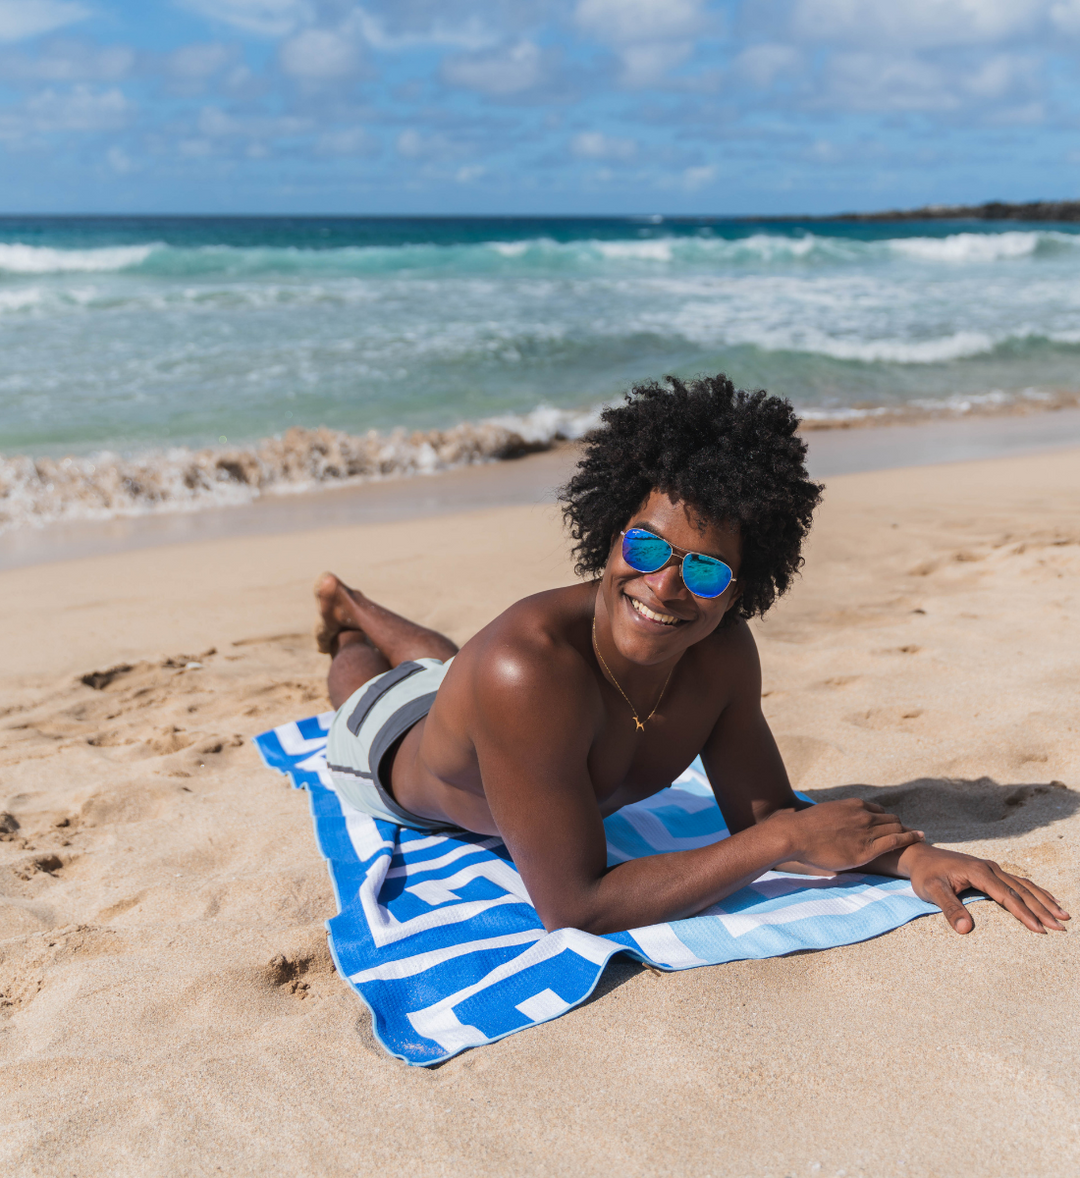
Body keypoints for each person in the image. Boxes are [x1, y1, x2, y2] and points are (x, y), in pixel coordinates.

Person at [314, 374, 1069, 938]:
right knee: (371, 689)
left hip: (477, 697)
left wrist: (916, 858)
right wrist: (776, 843)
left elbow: (766, 809)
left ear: (741, 589)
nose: (664, 585)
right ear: (610, 530)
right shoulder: (525, 667)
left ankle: (356, 606)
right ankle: (348, 625)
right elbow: (574, 904)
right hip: (383, 754)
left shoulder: (723, 657)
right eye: (645, 546)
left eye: (705, 571)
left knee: (442, 668)